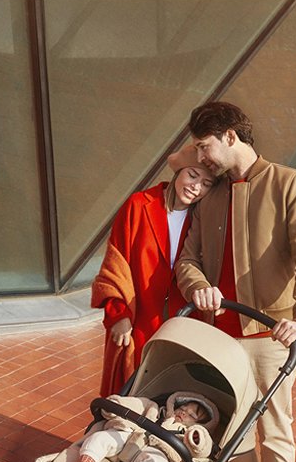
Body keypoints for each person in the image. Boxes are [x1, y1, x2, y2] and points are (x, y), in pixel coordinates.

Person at [173, 101, 296, 462]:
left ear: (230, 137)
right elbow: (188, 259)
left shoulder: (288, 183)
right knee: (231, 424)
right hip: (220, 334)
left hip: (270, 333)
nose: (201, 157)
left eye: (205, 147)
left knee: (274, 429)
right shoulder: (212, 194)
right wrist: (197, 285)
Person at [91, 161, 215, 397]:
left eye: (206, 184)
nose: (196, 187)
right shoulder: (139, 205)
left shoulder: (204, 220)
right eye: (192, 175)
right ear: (179, 170)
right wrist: (119, 314)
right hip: (137, 316)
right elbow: (116, 264)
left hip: (182, 321)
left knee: (169, 393)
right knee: (127, 390)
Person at [56, 392, 219, 462]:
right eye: (183, 407)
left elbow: (202, 450)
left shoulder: (189, 434)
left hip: (160, 451)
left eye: (192, 415)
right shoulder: (156, 410)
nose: (184, 412)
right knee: (101, 437)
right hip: (130, 438)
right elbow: (137, 404)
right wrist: (117, 405)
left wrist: (197, 438)